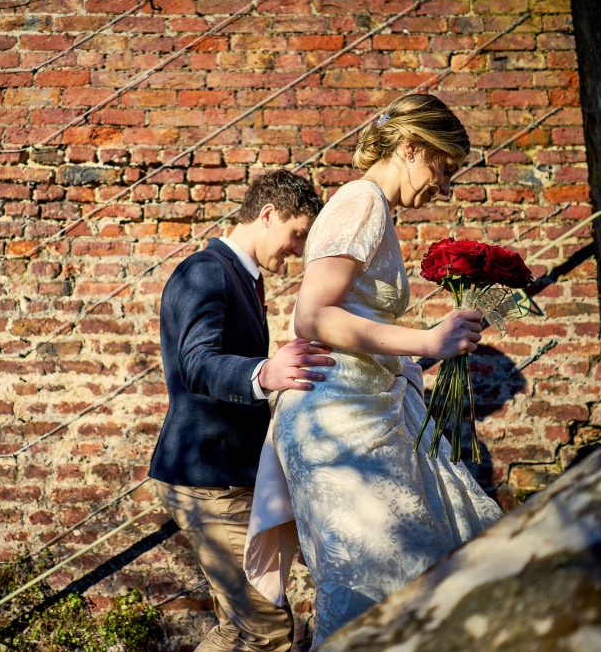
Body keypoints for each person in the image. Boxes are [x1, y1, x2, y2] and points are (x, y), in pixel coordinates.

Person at [244, 94, 503, 647]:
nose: (446, 186)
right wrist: (429, 338)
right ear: (411, 148)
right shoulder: (362, 199)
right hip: (338, 420)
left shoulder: (375, 209)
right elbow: (312, 315)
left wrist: (412, 354)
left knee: (412, 570)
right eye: (443, 167)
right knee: (378, 579)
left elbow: (355, 318)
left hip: (368, 410)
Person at [148, 169, 332, 652]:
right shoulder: (206, 270)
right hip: (208, 479)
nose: (297, 250)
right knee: (268, 630)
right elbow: (196, 362)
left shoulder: (242, 278)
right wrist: (265, 373)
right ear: (268, 214)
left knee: (237, 629)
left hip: (226, 477)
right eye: (297, 235)